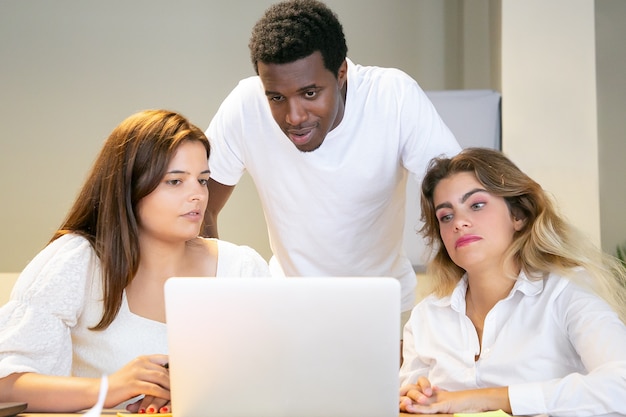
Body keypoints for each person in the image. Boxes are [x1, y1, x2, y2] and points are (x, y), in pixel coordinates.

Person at [203, 0, 461, 332]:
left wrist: (457, 303)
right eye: (276, 98)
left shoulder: (392, 96)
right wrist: (207, 300)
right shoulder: (245, 105)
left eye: (310, 93)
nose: (294, 117)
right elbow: (199, 203)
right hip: (288, 307)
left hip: (383, 308)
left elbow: (457, 195)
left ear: (341, 73)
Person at [0, 110, 270, 413]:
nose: (197, 195)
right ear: (129, 186)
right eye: (175, 181)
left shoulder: (243, 268)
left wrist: (191, 388)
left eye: (203, 180)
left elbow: (277, 374)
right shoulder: (75, 262)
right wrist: (111, 388)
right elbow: (6, 384)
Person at [398, 147, 626, 415]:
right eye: (446, 216)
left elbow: (620, 386)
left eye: (477, 205)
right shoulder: (426, 317)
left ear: (518, 215)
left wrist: (483, 399)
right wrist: (412, 398)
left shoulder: (567, 291)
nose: (459, 223)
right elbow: (405, 403)